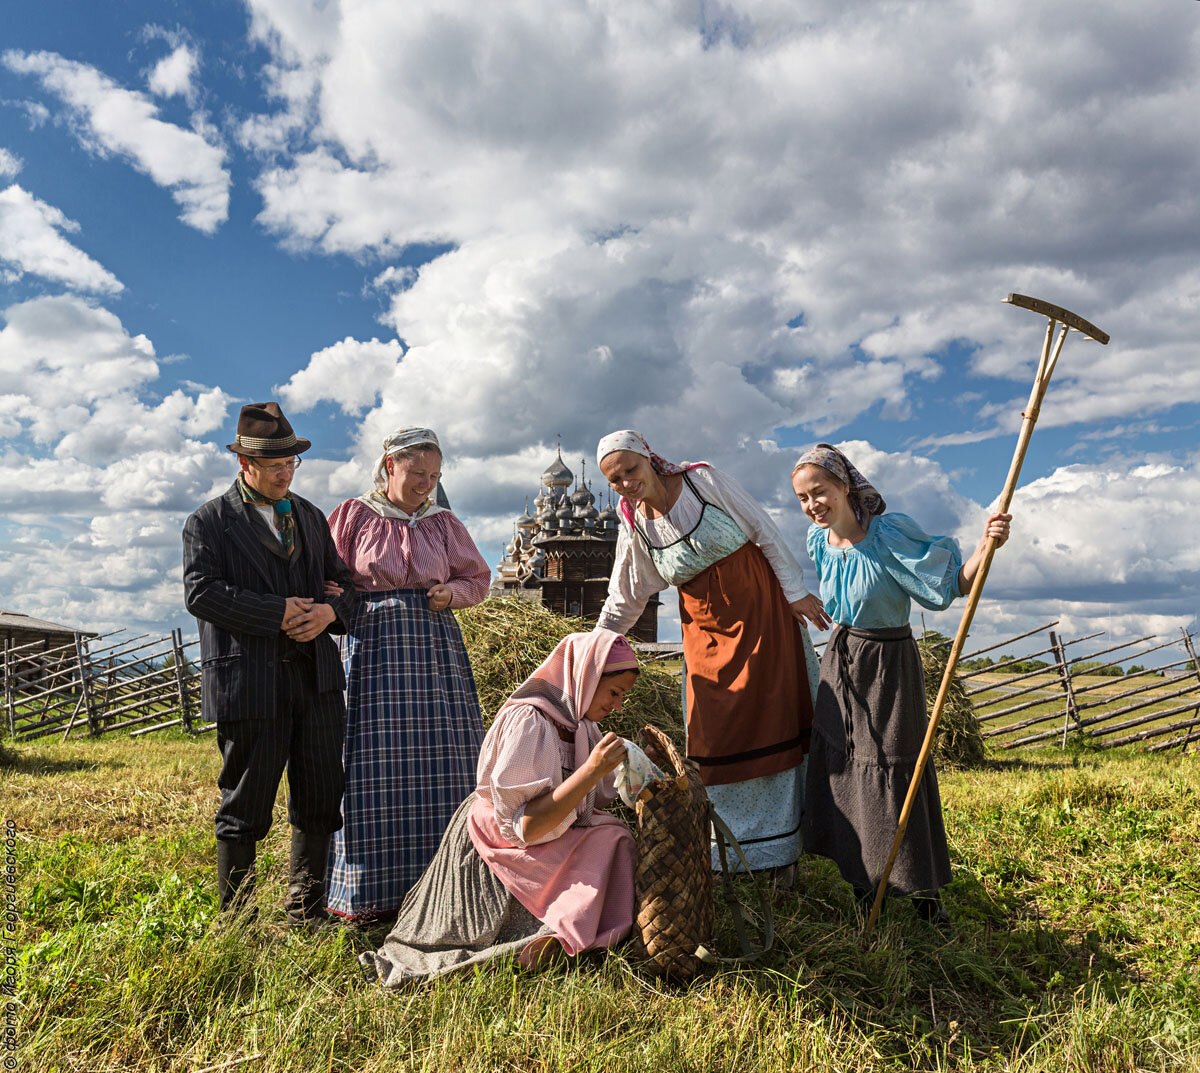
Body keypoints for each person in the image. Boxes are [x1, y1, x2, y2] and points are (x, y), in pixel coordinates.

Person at [791, 443, 1011, 924]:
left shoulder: (888, 533)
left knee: (895, 768)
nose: (812, 505)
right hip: (840, 662)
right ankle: (861, 881)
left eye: (820, 492)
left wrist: (985, 545)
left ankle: (924, 890)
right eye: (803, 499)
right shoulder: (817, 542)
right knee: (844, 767)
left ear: (845, 485)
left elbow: (952, 586)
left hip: (888, 663)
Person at [594, 430, 830, 874]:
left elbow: (763, 529)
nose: (625, 483)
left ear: (649, 458)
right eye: (615, 479)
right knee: (714, 735)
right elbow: (625, 598)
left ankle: (785, 854)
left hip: (762, 618)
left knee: (771, 722)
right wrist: (593, 651)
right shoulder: (634, 523)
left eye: (630, 470)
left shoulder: (703, 481)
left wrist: (795, 592)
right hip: (704, 636)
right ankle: (731, 852)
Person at [360, 630, 639, 984]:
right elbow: (526, 826)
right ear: (586, 676)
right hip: (501, 842)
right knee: (610, 840)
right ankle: (543, 938)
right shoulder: (530, 721)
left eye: (623, 697)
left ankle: (578, 935)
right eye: (614, 693)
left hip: (546, 831)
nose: (617, 706)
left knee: (614, 836)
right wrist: (590, 771)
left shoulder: (582, 726)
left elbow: (593, 799)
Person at [182, 402, 357, 926]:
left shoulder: (309, 517)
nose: (287, 472)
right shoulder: (209, 521)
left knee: (321, 794)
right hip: (250, 680)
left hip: (317, 680)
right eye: (276, 463)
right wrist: (277, 612)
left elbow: (347, 585)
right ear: (245, 463)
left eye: (292, 463)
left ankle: (306, 912)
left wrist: (329, 611)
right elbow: (201, 593)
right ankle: (238, 922)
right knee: (246, 802)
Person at [324, 428, 491, 919]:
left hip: (433, 652)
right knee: (372, 760)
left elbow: (478, 579)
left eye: (435, 476)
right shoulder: (355, 516)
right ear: (390, 465)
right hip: (371, 650)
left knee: (442, 759)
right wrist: (343, 610)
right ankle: (370, 892)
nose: (426, 484)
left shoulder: (443, 524)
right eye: (418, 473)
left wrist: (451, 594)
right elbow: (327, 577)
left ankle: (445, 887)